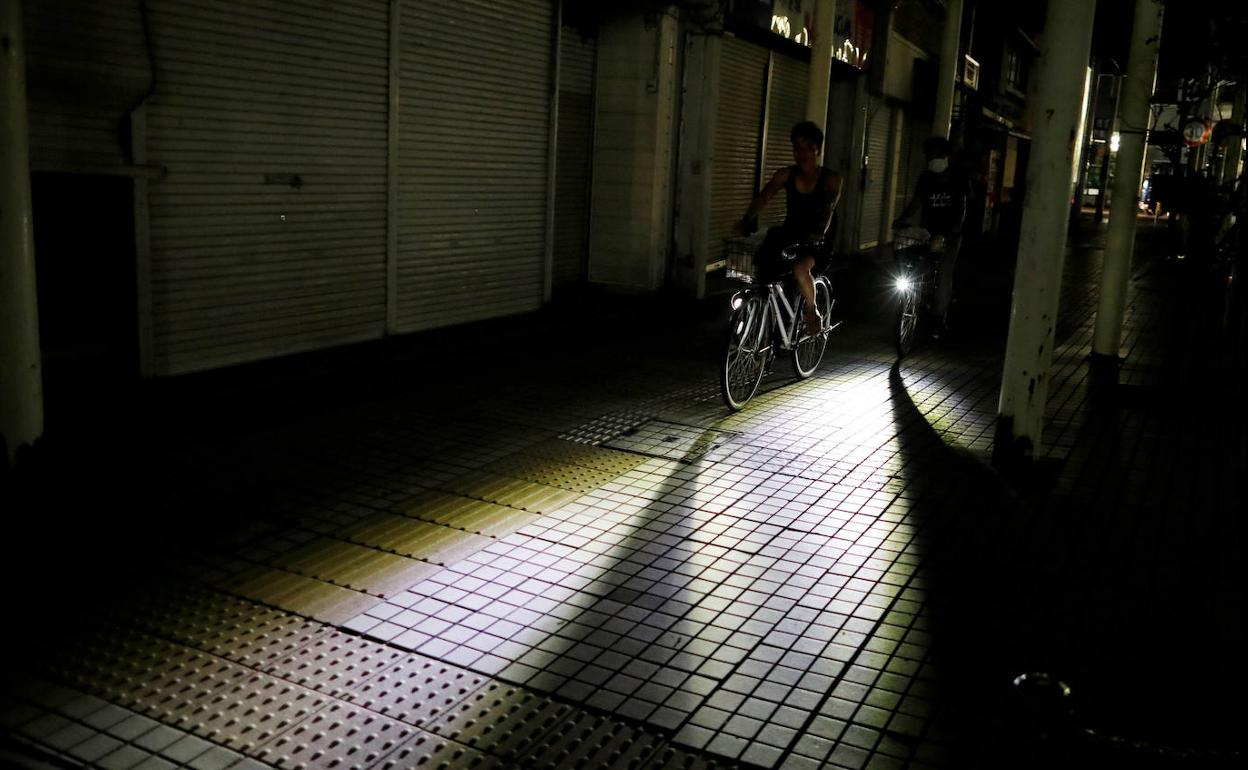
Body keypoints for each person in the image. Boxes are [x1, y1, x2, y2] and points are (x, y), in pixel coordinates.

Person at [735, 121, 843, 334]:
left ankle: (812, 312)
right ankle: (764, 320)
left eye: (808, 148)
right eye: (797, 148)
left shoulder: (832, 179)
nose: (802, 153)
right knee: (764, 265)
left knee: (800, 268)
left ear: (818, 150)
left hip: (819, 240)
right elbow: (764, 197)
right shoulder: (785, 175)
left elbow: (828, 209)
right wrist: (746, 219)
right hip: (792, 233)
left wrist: (818, 232)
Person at [894, 136, 970, 336]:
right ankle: (915, 302)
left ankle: (938, 317)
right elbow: (917, 202)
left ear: (946, 155)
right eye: (931, 154)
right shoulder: (925, 178)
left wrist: (956, 226)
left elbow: (962, 205)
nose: (934, 157)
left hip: (950, 234)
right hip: (928, 231)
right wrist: (901, 219)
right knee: (919, 265)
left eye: (938, 153)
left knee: (944, 273)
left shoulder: (957, 177)